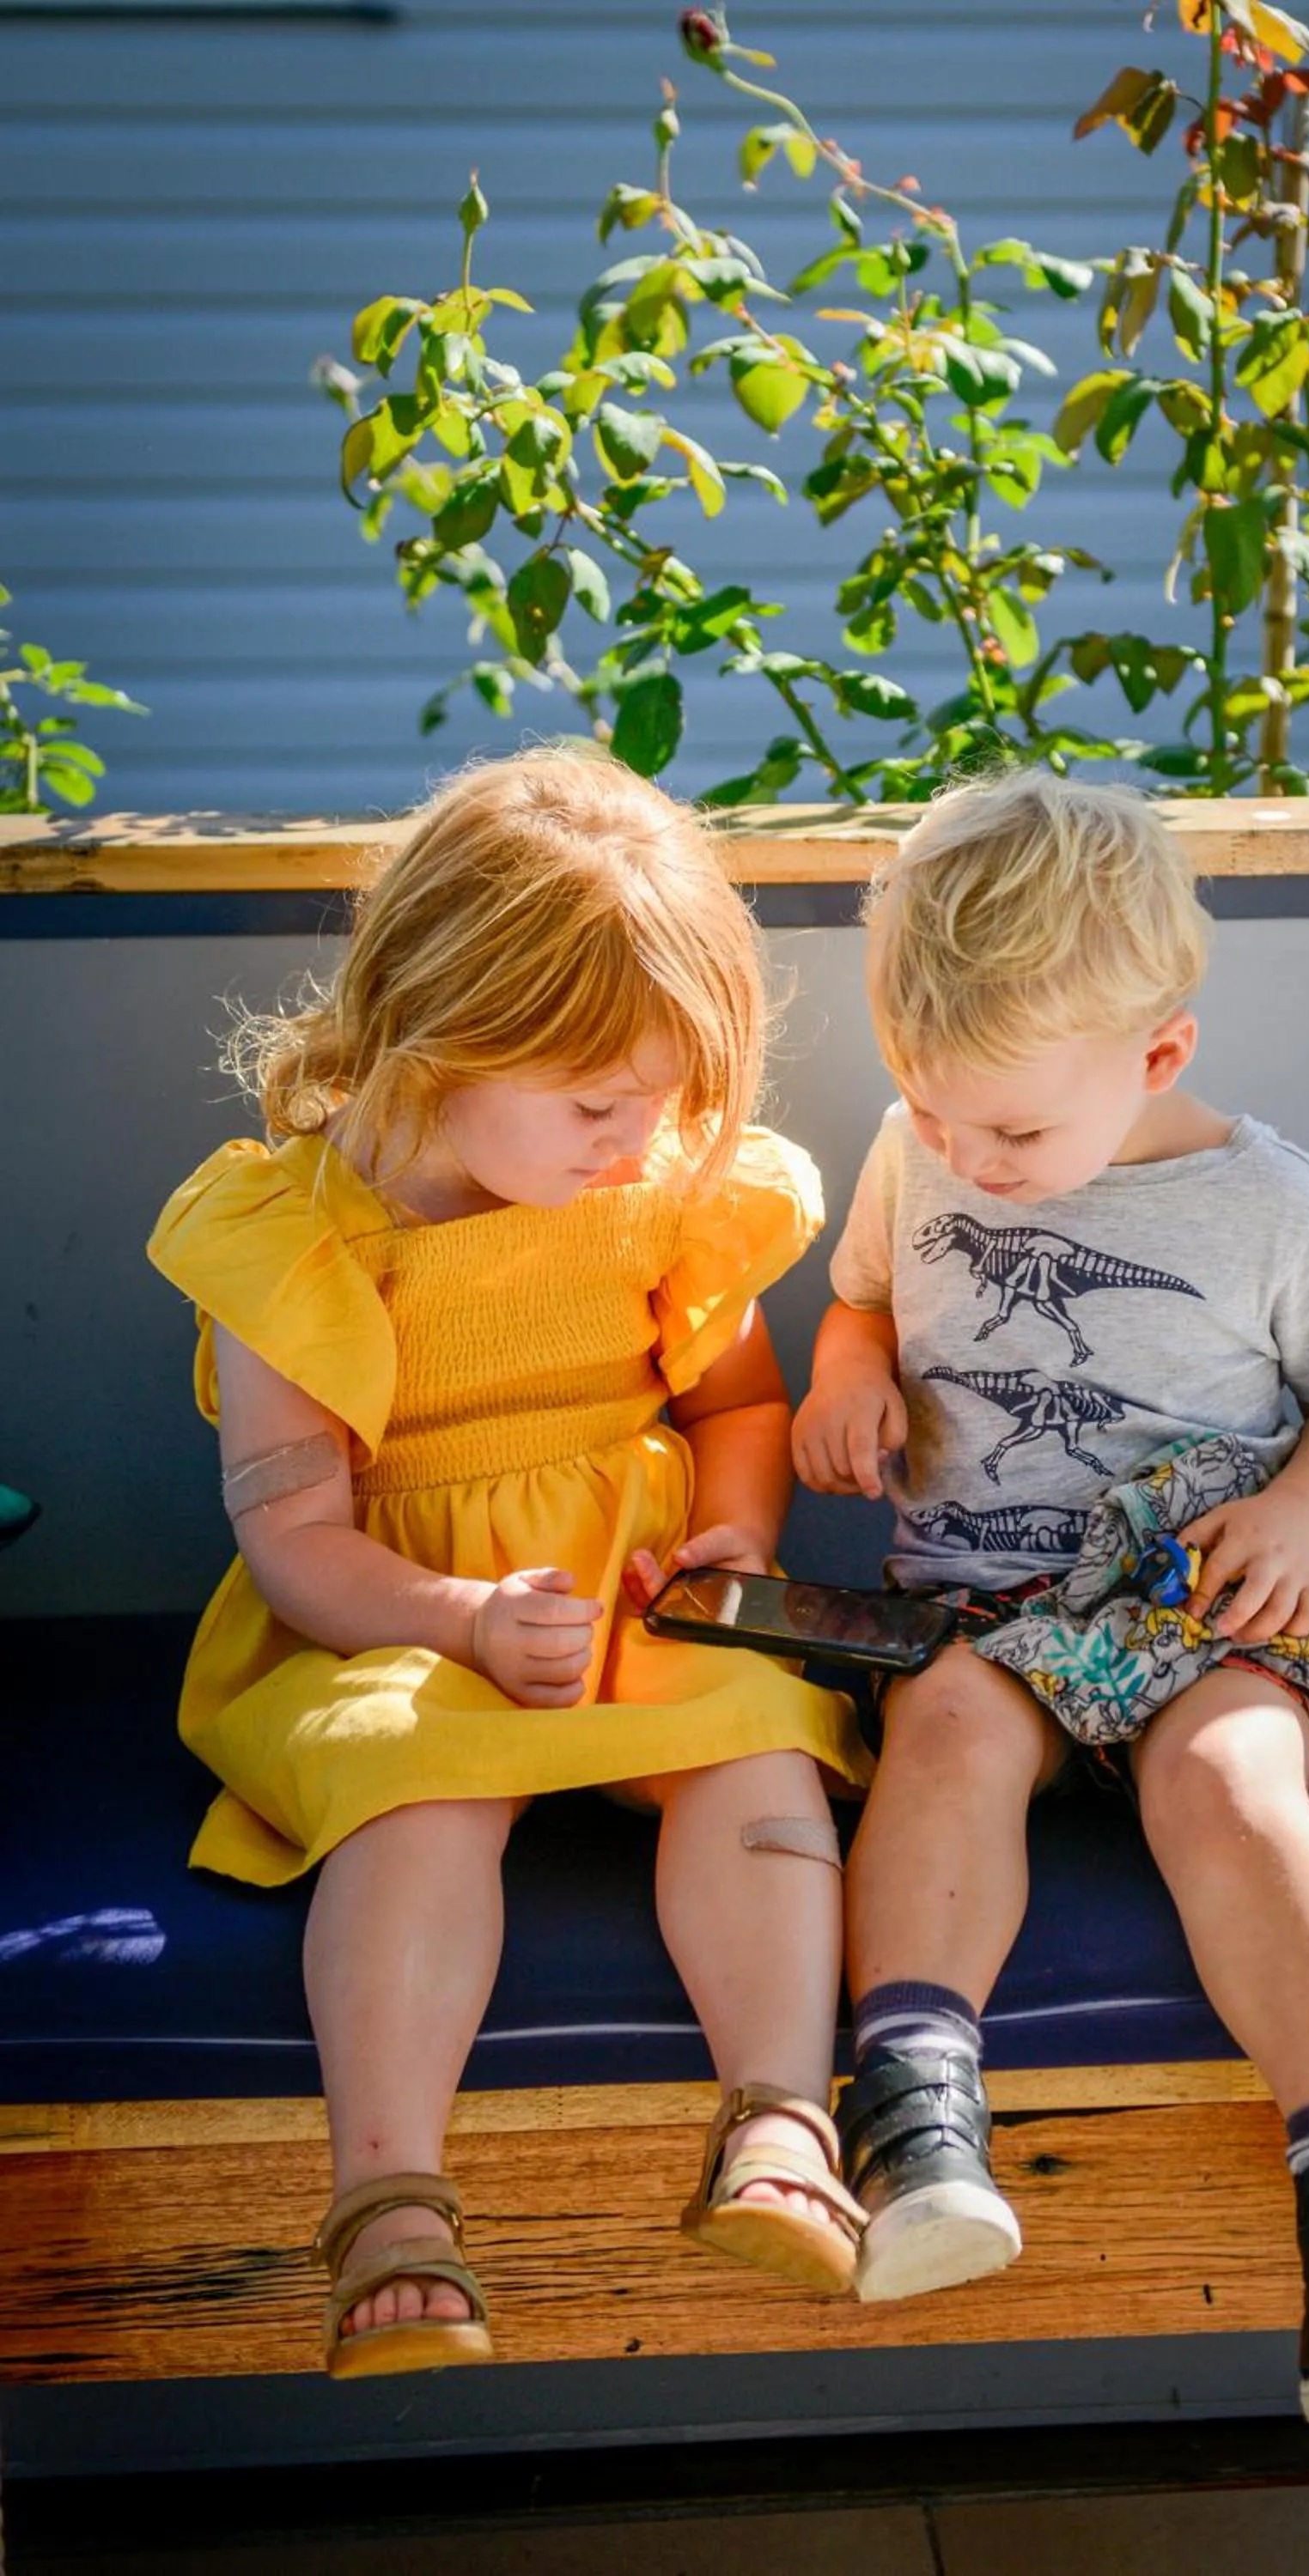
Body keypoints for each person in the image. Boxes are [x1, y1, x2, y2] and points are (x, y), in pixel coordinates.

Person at [149, 748, 874, 2379]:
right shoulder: (297, 1240)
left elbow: (739, 1400)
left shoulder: (663, 1187)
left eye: (673, 1097)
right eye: (599, 1103)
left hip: (633, 1596)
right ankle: (389, 2197)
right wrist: (462, 1617)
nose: (645, 1140)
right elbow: (291, 1542)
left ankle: (780, 2123)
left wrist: (740, 1531)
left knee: (758, 1748)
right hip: (388, 1620)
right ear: (435, 1035)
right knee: (420, 1787)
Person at [793, 771, 1309, 2424]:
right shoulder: (919, 1147)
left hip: (1199, 1595)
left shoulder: (1277, 1210)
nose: (969, 1159)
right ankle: (919, 2114)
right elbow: (863, 1298)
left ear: (1158, 1055)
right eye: (931, 1109)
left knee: (1227, 1776)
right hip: (990, 1610)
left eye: (1012, 1132)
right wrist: (845, 1371)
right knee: (944, 1726)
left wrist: (1304, 1520)